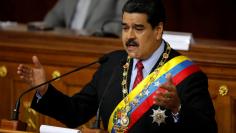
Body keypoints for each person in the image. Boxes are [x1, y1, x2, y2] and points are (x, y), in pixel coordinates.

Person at [17, 0, 217, 132]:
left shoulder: (186, 75)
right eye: (125, 28)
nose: (129, 36)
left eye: (138, 29)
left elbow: (208, 129)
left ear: (158, 30)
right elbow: (76, 112)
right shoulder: (112, 64)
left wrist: (177, 108)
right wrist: (44, 90)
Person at [43, 0, 128, 37]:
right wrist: (42, 28)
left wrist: (95, 33)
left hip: (96, 45)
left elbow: (123, 21)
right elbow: (55, 15)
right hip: (67, 42)